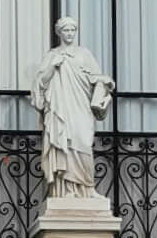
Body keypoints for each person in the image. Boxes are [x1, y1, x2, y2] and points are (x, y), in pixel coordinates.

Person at [26, 14, 114, 202]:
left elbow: (96, 77)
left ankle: (87, 188)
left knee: (84, 143)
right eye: (66, 30)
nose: (70, 33)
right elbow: (40, 83)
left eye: (73, 30)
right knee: (64, 145)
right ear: (59, 33)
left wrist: (106, 83)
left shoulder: (84, 54)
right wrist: (52, 67)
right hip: (61, 108)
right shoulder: (52, 55)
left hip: (81, 107)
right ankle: (66, 190)